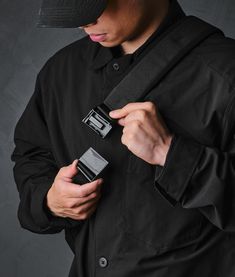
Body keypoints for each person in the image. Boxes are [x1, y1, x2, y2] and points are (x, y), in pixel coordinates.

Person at [11, 0, 235, 276]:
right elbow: (32, 154)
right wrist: (49, 200)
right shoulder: (60, 72)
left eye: (94, 7)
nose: (84, 23)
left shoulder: (226, 73)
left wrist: (170, 153)